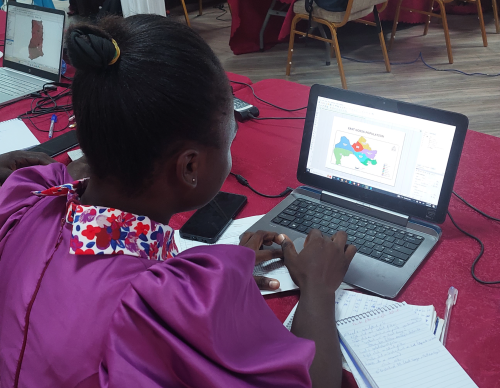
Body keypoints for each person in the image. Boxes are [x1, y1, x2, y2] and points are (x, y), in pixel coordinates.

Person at [0, 15, 356, 388]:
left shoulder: (27, 201)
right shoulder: (157, 305)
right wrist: (318, 286)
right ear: (190, 167)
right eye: (230, 138)